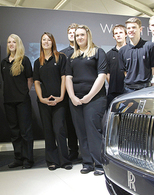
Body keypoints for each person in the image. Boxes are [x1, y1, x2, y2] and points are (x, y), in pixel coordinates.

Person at [66, 25, 107, 176]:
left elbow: (101, 76)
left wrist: (89, 96)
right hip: (76, 99)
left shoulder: (98, 52)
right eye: (77, 36)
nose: (80, 38)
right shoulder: (72, 57)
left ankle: (99, 164)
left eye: (82, 35)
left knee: (93, 130)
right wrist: (72, 96)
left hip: (95, 98)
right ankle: (87, 163)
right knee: (81, 131)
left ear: (88, 35)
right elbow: (68, 78)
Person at [33, 32, 72, 171]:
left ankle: (64, 160)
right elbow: (36, 82)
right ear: (41, 42)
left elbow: (63, 78)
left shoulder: (61, 58)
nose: (46, 42)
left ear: (52, 42)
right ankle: (52, 161)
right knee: (48, 131)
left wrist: (61, 96)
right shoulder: (38, 62)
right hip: (44, 102)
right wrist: (42, 98)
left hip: (59, 101)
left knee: (59, 129)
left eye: (49, 40)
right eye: (44, 40)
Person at [1, 34, 34, 169]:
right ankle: (18, 158)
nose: (11, 44)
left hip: (22, 101)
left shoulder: (24, 61)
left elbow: (29, 79)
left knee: (25, 131)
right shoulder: (4, 62)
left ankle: (28, 160)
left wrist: (23, 93)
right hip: (9, 101)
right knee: (14, 131)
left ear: (18, 44)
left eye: (14, 42)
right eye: (9, 42)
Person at [119, 17, 154, 93]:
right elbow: (125, 72)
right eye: (129, 28)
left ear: (140, 29)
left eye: (134, 27)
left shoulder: (150, 46)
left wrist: (153, 87)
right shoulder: (122, 50)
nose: (131, 30)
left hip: (146, 88)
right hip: (128, 89)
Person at [60, 23, 79, 161]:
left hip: (83, 92)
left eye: (74, 32)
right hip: (67, 94)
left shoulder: (86, 51)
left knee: (84, 124)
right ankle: (73, 150)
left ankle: (88, 150)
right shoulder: (63, 54)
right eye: (70, 32)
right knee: (70, 124)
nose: (72, 34)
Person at [106, 24, 127, 108]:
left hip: (128, 91)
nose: (118, 35)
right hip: (113, 93)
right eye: (116, 33)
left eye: (121, 32)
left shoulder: (131, 51)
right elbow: (107, 73)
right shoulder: (109, 54)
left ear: (126, 34)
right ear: (113, 36)